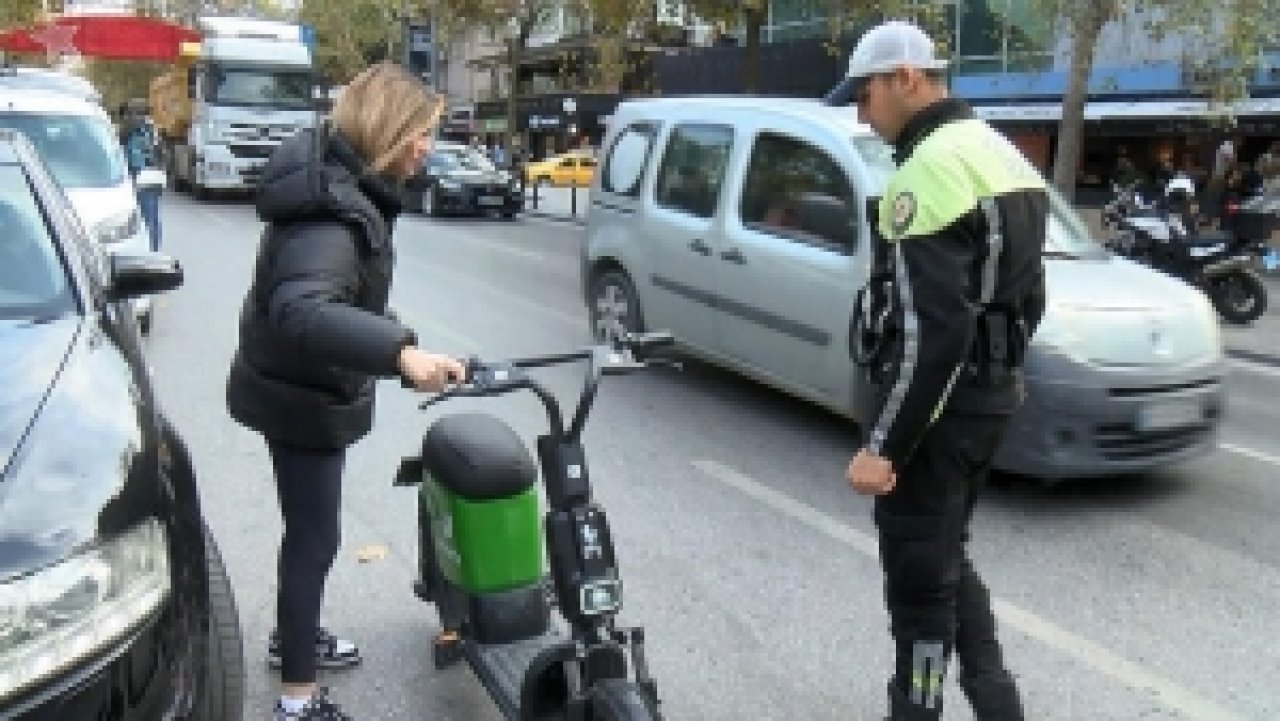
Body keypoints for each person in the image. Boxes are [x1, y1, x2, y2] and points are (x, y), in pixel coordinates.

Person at [225, 63, 467, 721]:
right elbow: (303, 310)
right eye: (420, 132)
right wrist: (400, 351)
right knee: (315, 538)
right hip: (300, 395)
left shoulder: (339, 186)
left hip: (295, 385)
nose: (427, 147)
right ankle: (297, 701)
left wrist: (396, 339)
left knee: (308, 532)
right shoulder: (331, 214)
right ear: (388, 128)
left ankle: (291, 639)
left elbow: (336, 299)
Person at [825, 20, 1047, 721]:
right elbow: (1030, 296)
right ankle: (998, 703)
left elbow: (931, 335)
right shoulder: (998, 152)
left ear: (906, 79)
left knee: (920, 587)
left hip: (939, 413)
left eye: (866, 95)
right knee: (948, 553)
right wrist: (995, 373)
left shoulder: (926, 170)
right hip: (990, 397)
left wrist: (883, 446)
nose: (863, 113)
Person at [119, 100, 162, 251]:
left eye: (140, 113)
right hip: (140, 175)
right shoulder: (148, 130)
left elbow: (156, 154)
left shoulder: (142, 131)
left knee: (149, 216)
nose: (136, 117)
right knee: (148, 216)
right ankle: (151, 249)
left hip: (144, 175)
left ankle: (152, 251)